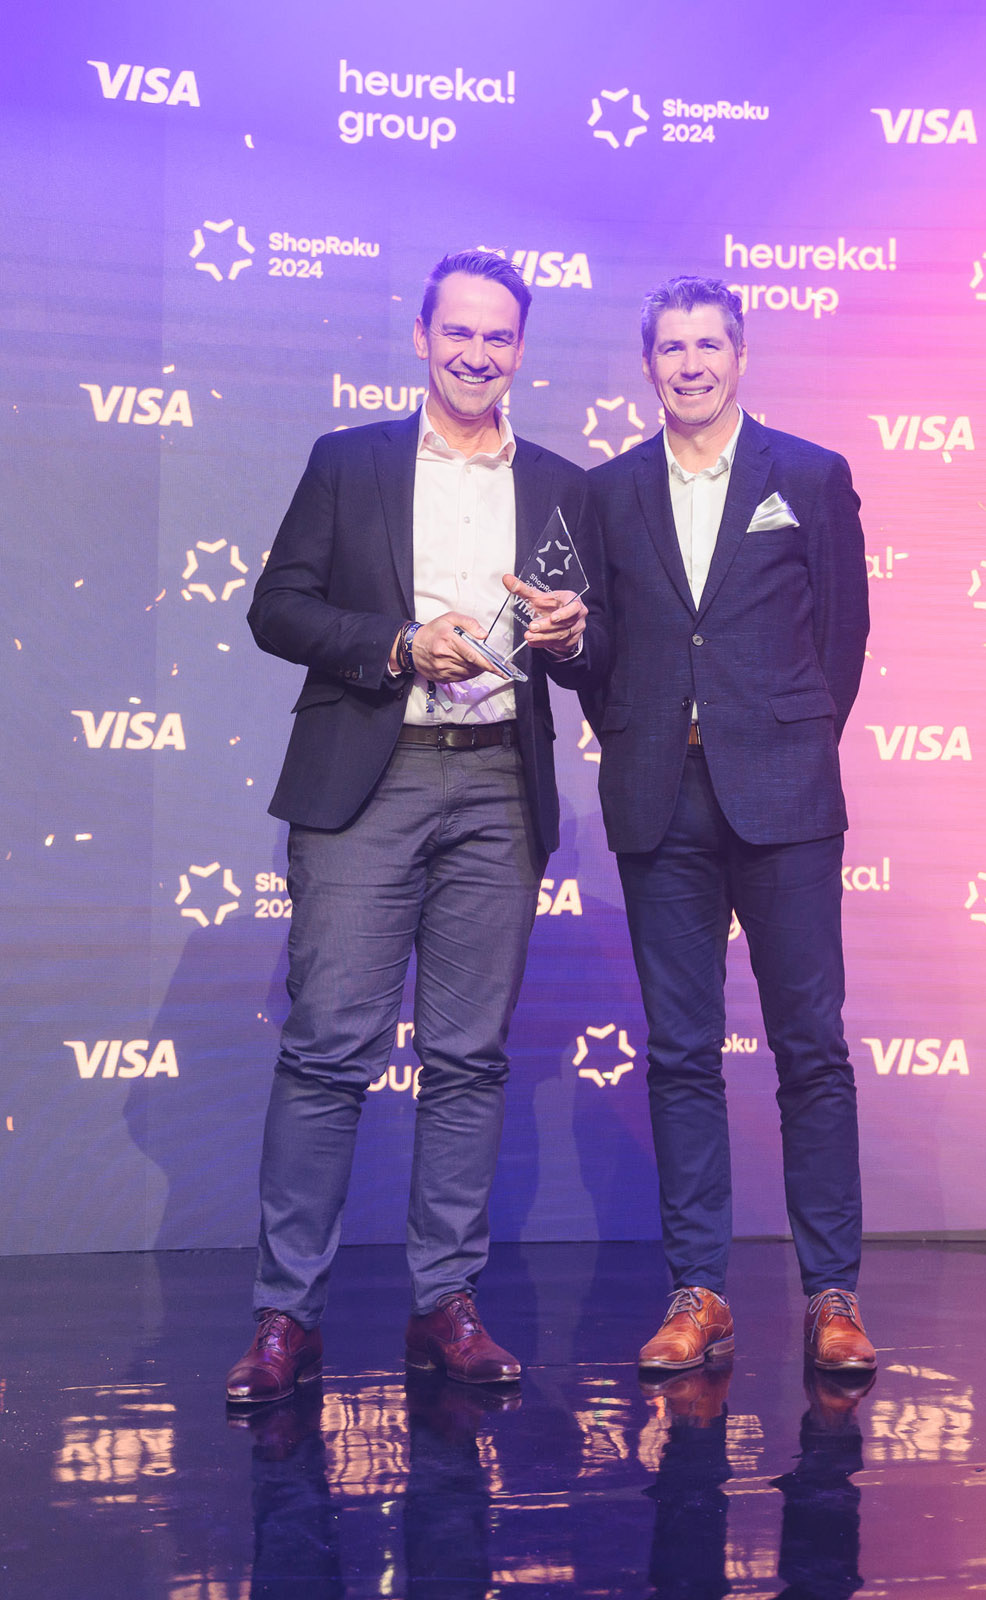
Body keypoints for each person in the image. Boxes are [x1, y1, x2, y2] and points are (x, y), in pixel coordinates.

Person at [226, 250, 599, 1403]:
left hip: (498, 787)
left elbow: (586, 653)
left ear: (520, 349)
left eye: (499, 335)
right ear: (423, 336)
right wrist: (395, 644)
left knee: (468, 1058)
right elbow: (277, 608)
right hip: (368, 780)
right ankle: (286, 1315)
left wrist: (574, 636)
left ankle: (446, 1300)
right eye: (459, 332)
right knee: (327, 1051)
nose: (477, 353)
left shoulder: (562, 485)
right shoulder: (350, 461)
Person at [581, 275, 875, 1373]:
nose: (691, 364)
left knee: (812, 1048)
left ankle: (832, 1296)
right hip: (660, 795)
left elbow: (841, 639)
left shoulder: (808, 474)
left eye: (710, 345)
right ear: (647, 363)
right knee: (680, 1053)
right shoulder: (607, 492)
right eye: (672, 347)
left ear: (741, 357)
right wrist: (642, 727)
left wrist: (786, 739)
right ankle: (697, 1291)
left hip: (786, 796)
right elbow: (595, 656)